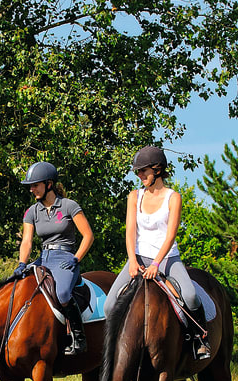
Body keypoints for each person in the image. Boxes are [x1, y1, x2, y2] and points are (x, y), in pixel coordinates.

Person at [103, 146, 211, 359]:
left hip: (167, 258)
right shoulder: (134, 196)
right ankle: (114, 348)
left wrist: (156, 264)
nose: (140, 175)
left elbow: (170, 235)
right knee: (109, 306)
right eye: (138, 172)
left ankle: (200, 338)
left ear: (158, 169)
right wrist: (132, 261)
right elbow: (130, 232)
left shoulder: (173, 198)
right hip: (139, 256)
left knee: (190, 296)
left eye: (143, 170)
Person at [13, 161, 94, 355]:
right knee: (17, 288)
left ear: (49, 184)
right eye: (30, 186)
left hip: (65, 257)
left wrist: (76, 258)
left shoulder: (68, 206)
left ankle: (78, 338)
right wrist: (22, 263)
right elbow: (27, 242)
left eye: (35, 185)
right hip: (43, 258)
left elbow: (88, 236)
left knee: (64, 293)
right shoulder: (32, 211)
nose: (32, 189)